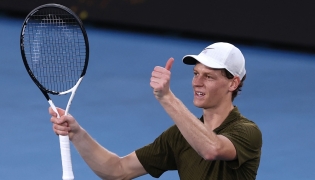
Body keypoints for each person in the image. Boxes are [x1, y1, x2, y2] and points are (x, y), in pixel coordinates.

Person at [50, 42, 262, 180]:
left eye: (208, 77)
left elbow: (211, 149)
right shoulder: (179, 136)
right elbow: (118, 170)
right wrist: (77, 134)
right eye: (196, 73)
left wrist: (167, 98)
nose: (197, 83)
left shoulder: (247, 132)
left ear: (233, 83)